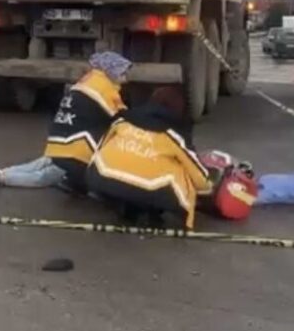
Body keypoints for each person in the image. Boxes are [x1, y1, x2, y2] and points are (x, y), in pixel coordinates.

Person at [0, 51, 131, 191]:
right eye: (122, 73)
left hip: (59, 140)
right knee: (44, 177)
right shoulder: (104, 88)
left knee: (38, 164)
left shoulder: (88, 81)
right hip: (75, 150)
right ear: (111, 71)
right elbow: (121, 117)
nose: (125, 78)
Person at [87, 86, 212, 229]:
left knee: (123, 162)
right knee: (181, 169)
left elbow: (100, 147)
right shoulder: (174, 135)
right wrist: (209, 189)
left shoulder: (123, 120)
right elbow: (199, 175)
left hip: (101, 178)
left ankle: (124, 204)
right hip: (150, 191)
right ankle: (149, 212)